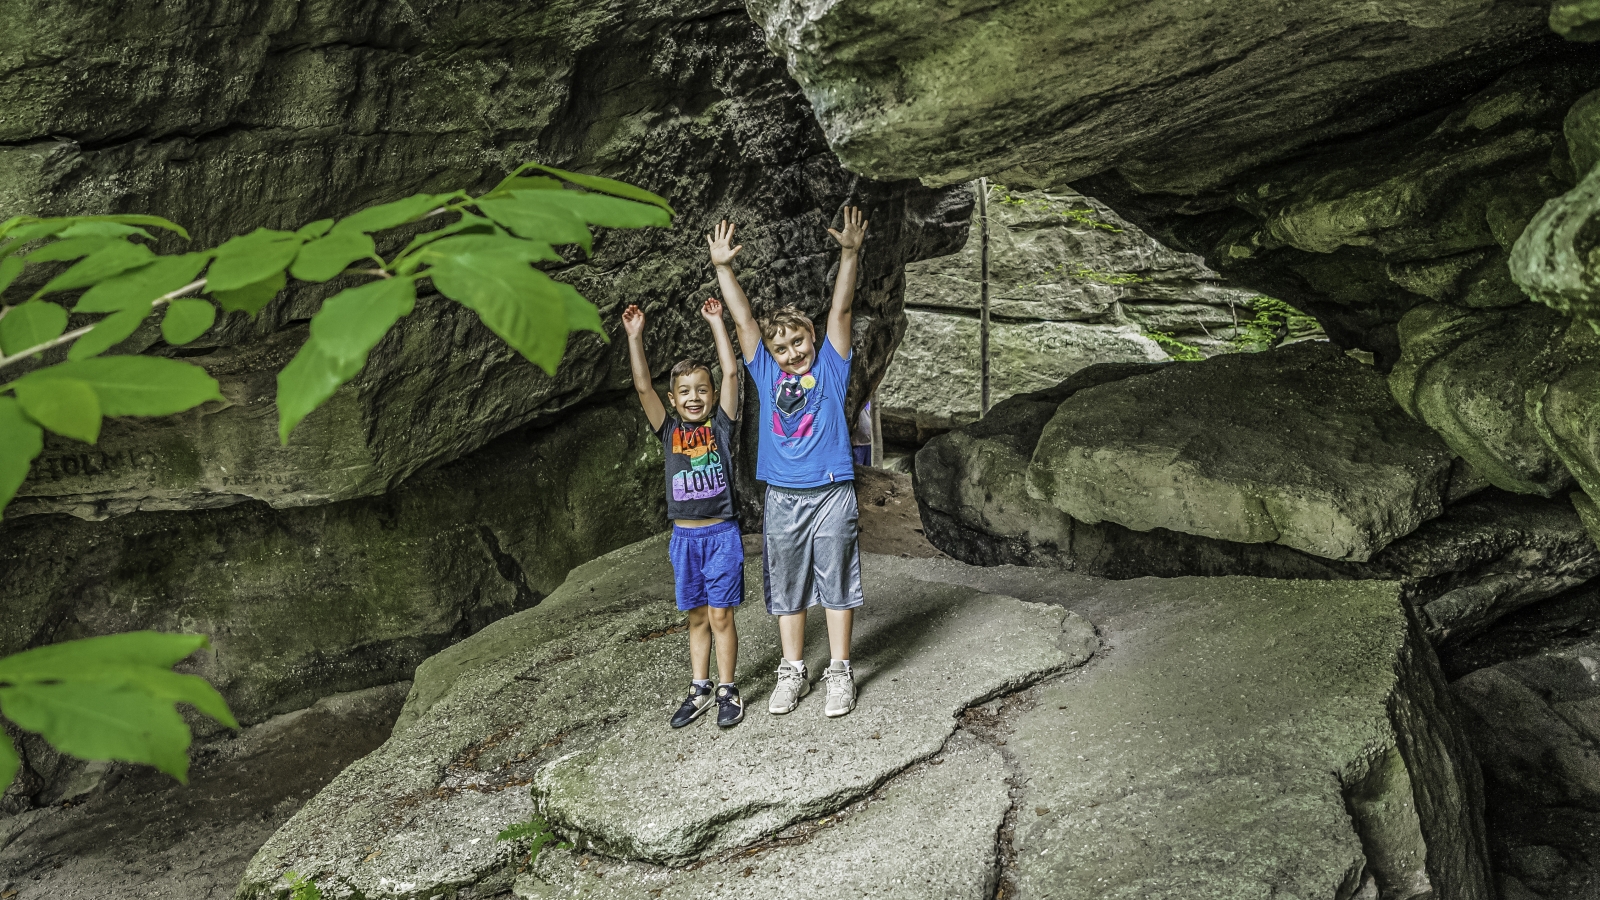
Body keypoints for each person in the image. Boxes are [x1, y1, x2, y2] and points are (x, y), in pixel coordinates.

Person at [707, 206, 868, 718]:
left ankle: (840, 671)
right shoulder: (764, 371)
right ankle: (793, 670)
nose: (791, 351)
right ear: (770, 355)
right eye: (782, 348)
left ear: (812, 341)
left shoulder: (831, 367)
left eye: (798, 341)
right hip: (782, 496)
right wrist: (723, 268)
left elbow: (840, 312)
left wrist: (849, 253)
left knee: (837, 579)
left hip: (831, 491)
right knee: (788, 583)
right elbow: (744, 320)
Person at [622, 298, 746, 729]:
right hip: (685, 540)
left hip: (722, 535)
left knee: (720, 615)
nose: (695, 398)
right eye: (686, 392)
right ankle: (700, 688)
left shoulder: (722, 426)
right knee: (696, 616)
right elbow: (642, 387)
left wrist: (716, 322)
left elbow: (731, 372)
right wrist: (635, 337)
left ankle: (728, 689)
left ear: (711, 396)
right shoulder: (670, 430)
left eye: (702, 390)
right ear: (674, 400)